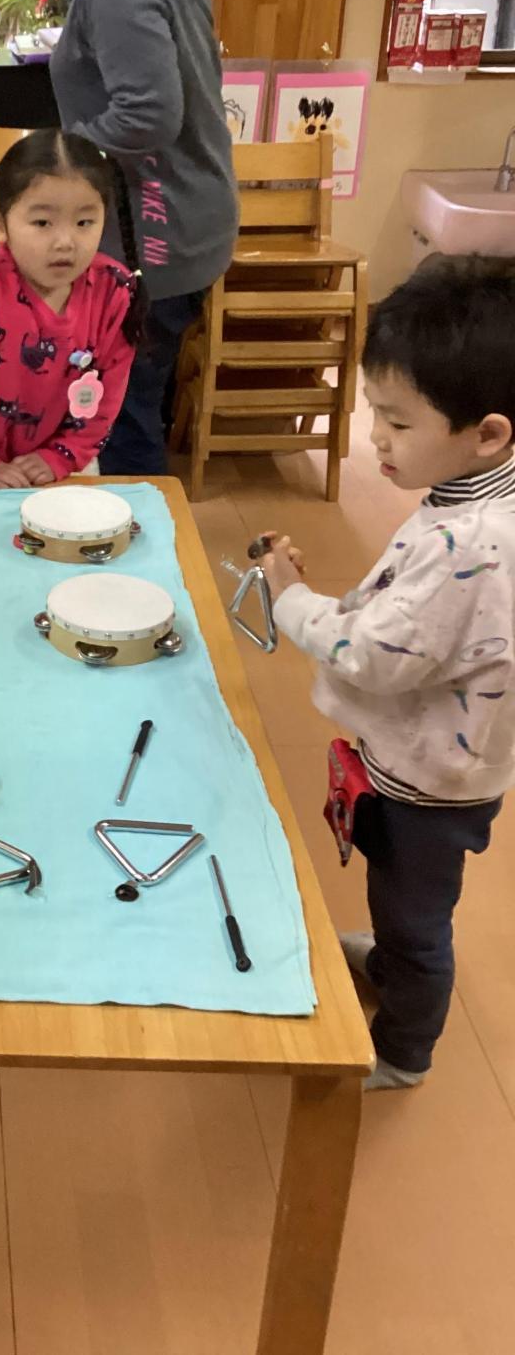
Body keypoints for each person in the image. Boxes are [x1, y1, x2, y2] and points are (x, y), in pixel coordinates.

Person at [260, 259, 515, 1091]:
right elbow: (419, 625)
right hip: (453, 757)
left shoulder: (469, 544)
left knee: (416, 917)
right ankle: (393, 959)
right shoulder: (482, 499)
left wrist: (291, 598)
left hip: (430, 782)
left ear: (488, 433)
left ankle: (405, 1050)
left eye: (398, 423)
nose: (376, 440)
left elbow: (373, 654)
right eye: (377, 413)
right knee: (401, 896)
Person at [27, 0, 238, 477]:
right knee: (126, 408)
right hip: (179, 225)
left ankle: (134, 546)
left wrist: (55, 160)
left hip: (154, 239)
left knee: (119, 425)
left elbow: (148, 113)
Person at [0, 129, 144, 488]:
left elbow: (107, 395)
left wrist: (62, 455)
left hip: (66, 467)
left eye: (84, 222)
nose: (65, 242)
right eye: (42, 223)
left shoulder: (115, 291)